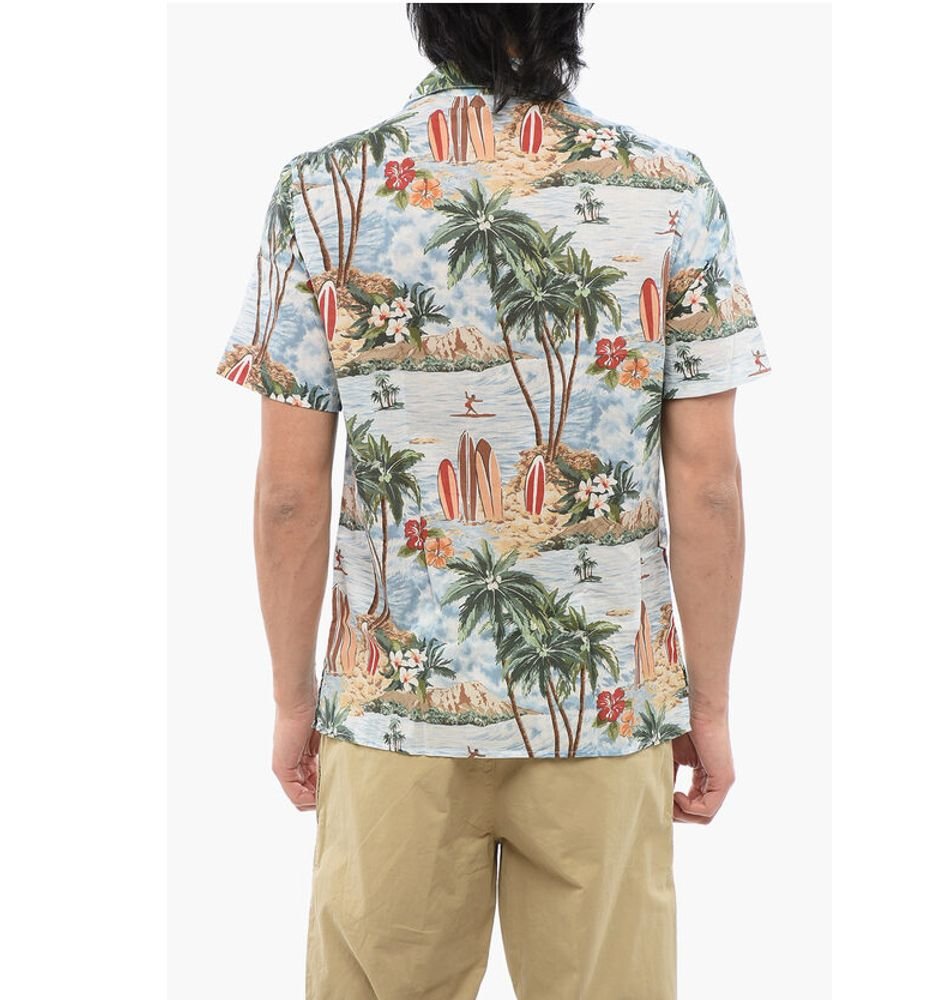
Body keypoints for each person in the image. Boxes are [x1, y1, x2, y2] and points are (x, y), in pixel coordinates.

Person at [215, 4, 771, 997]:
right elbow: (709, 487)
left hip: (390, 716)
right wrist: (711, 707)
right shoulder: (668, 189)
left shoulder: (324, 189)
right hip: (601, 710)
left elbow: (289, 495)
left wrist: (295, 700)